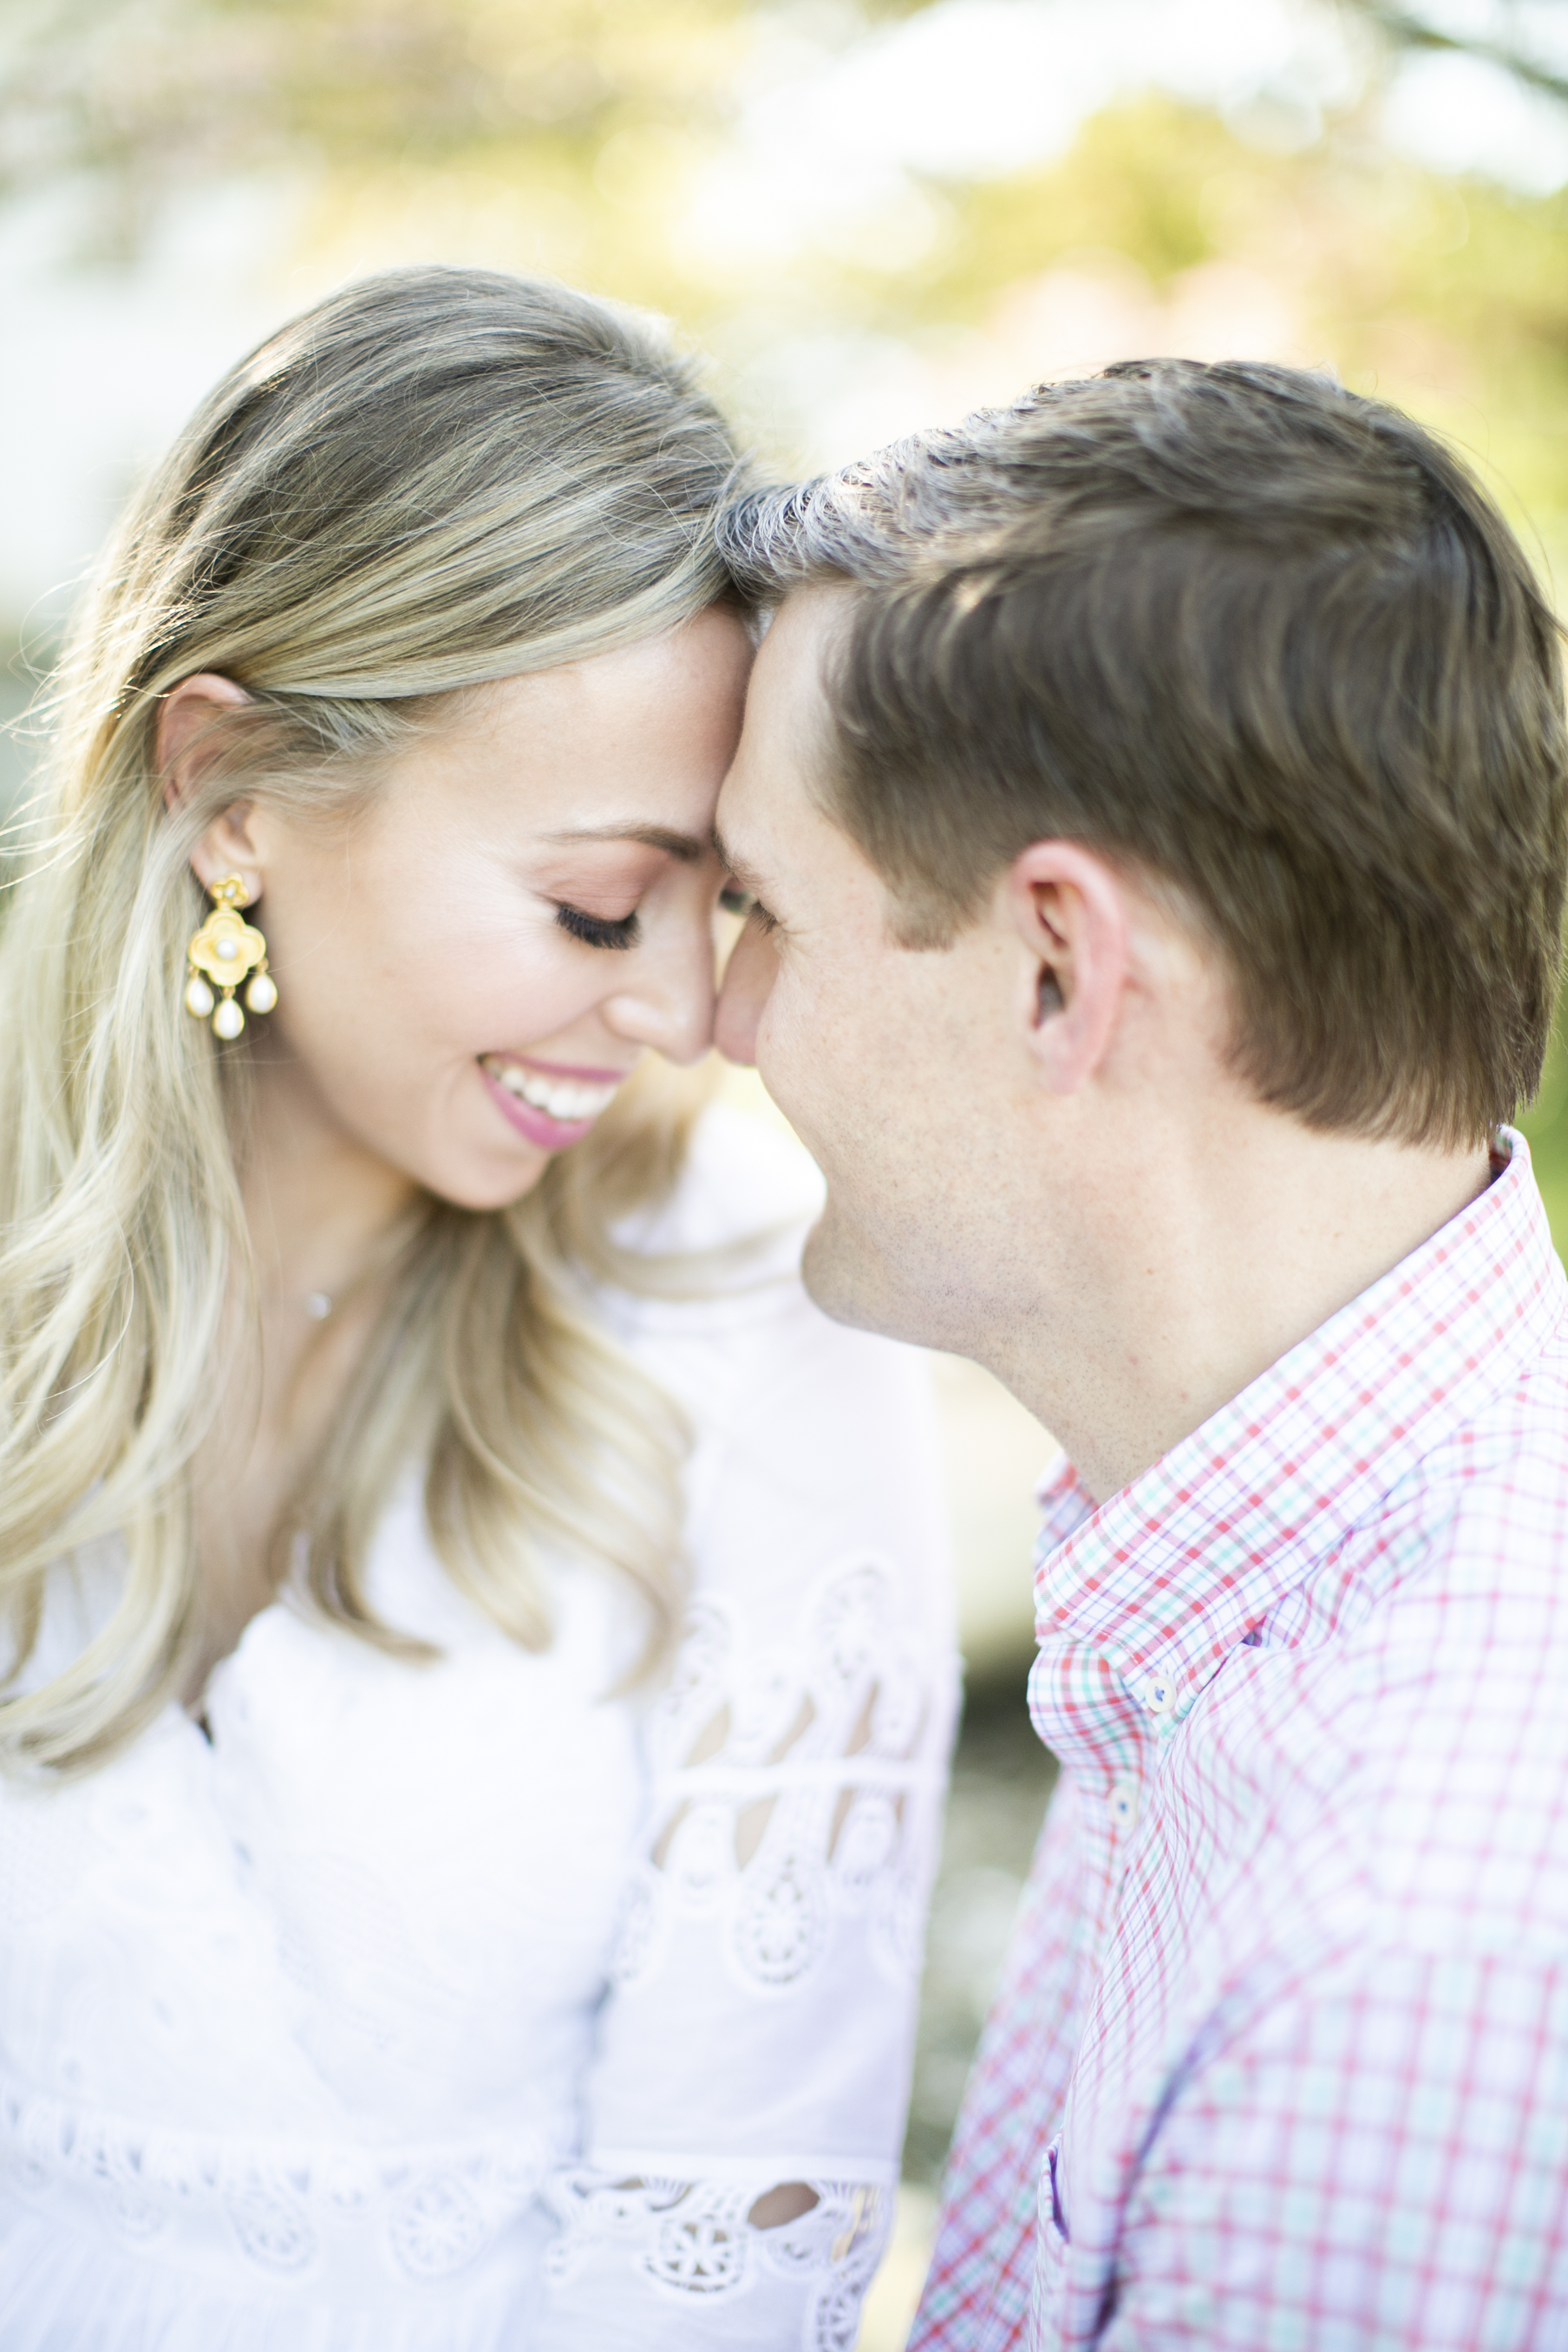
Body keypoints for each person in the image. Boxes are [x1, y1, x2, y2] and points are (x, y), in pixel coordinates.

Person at [0, 266, 957, 2352]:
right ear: (228, 786)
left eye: (727, 903)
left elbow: (737, 2219)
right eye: (602, 905)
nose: (692, 1010)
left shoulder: (746, 1308)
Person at [713, 359, 1568, 2349]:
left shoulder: (1401, 1976)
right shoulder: (1266, 1596)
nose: (715, 1011)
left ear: (1057, 972)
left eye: (767, 909)